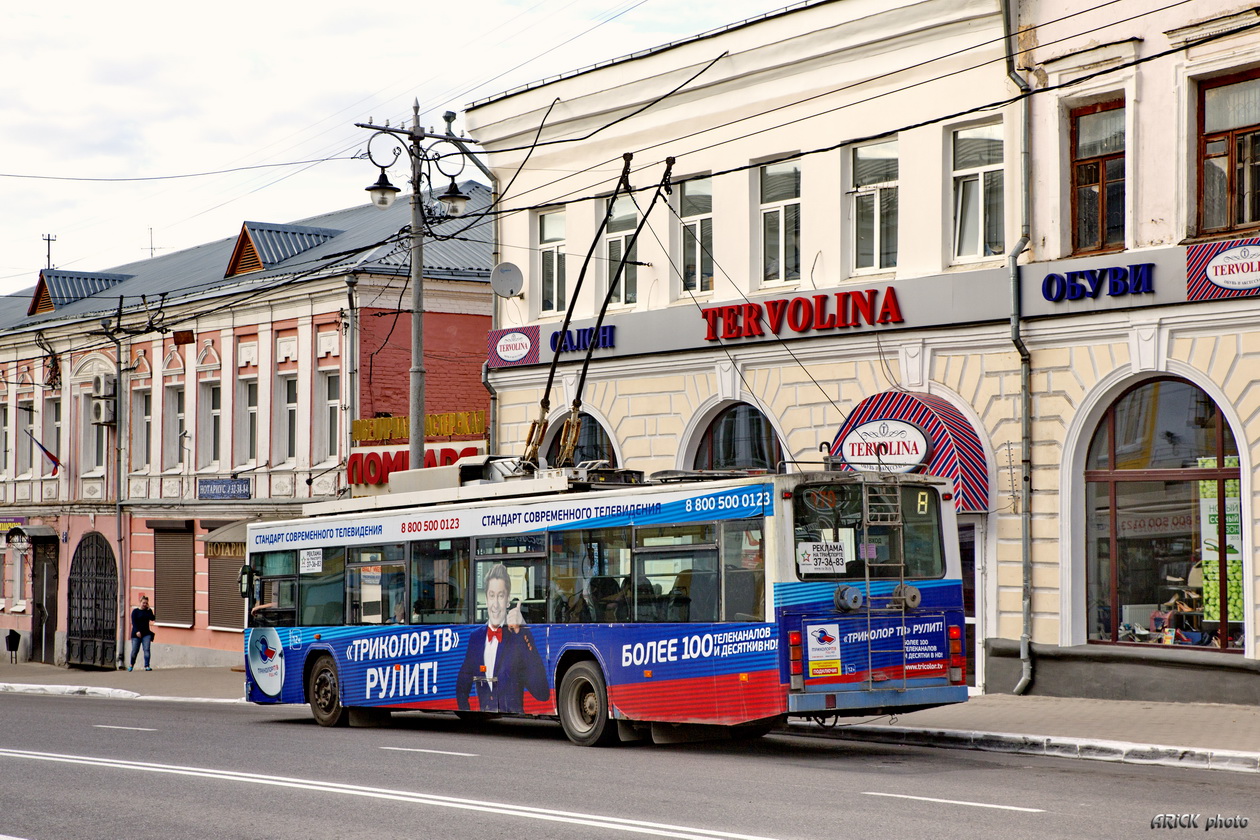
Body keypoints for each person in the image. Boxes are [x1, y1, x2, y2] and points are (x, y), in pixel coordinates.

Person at [456, 563, 548, 713]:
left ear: (508, 600)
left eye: (501, 595)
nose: (496, 605)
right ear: (486, 599)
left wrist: (523, 630)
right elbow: (462, 684)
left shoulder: (518, 636)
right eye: (492, 595)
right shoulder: (476, 638)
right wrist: (467, 715)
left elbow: (542, 692)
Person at [128, 594, 156, 671]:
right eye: (143, 603)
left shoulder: (148, 611)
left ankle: (147, 665)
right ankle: (131, 664)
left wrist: (149, 610)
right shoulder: (135, 611)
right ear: (140, 602)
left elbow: (152, 618)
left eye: (146, 603)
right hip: (136, 634)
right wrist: (137, 631)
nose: (145, 604)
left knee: (147, 649)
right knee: (134, 650)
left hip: (146, 634)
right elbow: (134, 622)